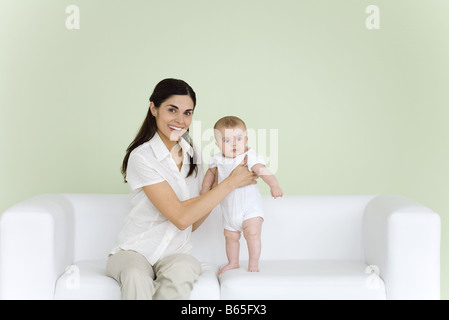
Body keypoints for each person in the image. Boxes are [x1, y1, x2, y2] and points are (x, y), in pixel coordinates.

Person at [106, 79, 258, 300]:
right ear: (153, 109)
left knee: (181, 274)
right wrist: (230, 183)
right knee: (135, 275)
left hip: (177, 254)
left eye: (188, 113)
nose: (180, 120)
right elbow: (180, 217)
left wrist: (220, 183)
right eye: (172, 110)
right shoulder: (142, 157)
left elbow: (193, 222)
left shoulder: (193, 153)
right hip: (135, 250)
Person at [200, 116, 283, 274]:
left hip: (250, 208)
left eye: (238, 139)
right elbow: (210, 174)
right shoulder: (216, 159)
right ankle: (233, 262)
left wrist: (274, 185)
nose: (234, 144)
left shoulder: (249, 157)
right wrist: (205, 189)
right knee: (230, 237)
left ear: (245, 140)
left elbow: (262, 170)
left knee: (252, 234)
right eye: (226, 140)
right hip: (229, 211)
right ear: (218, 144)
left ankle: (253, 263)